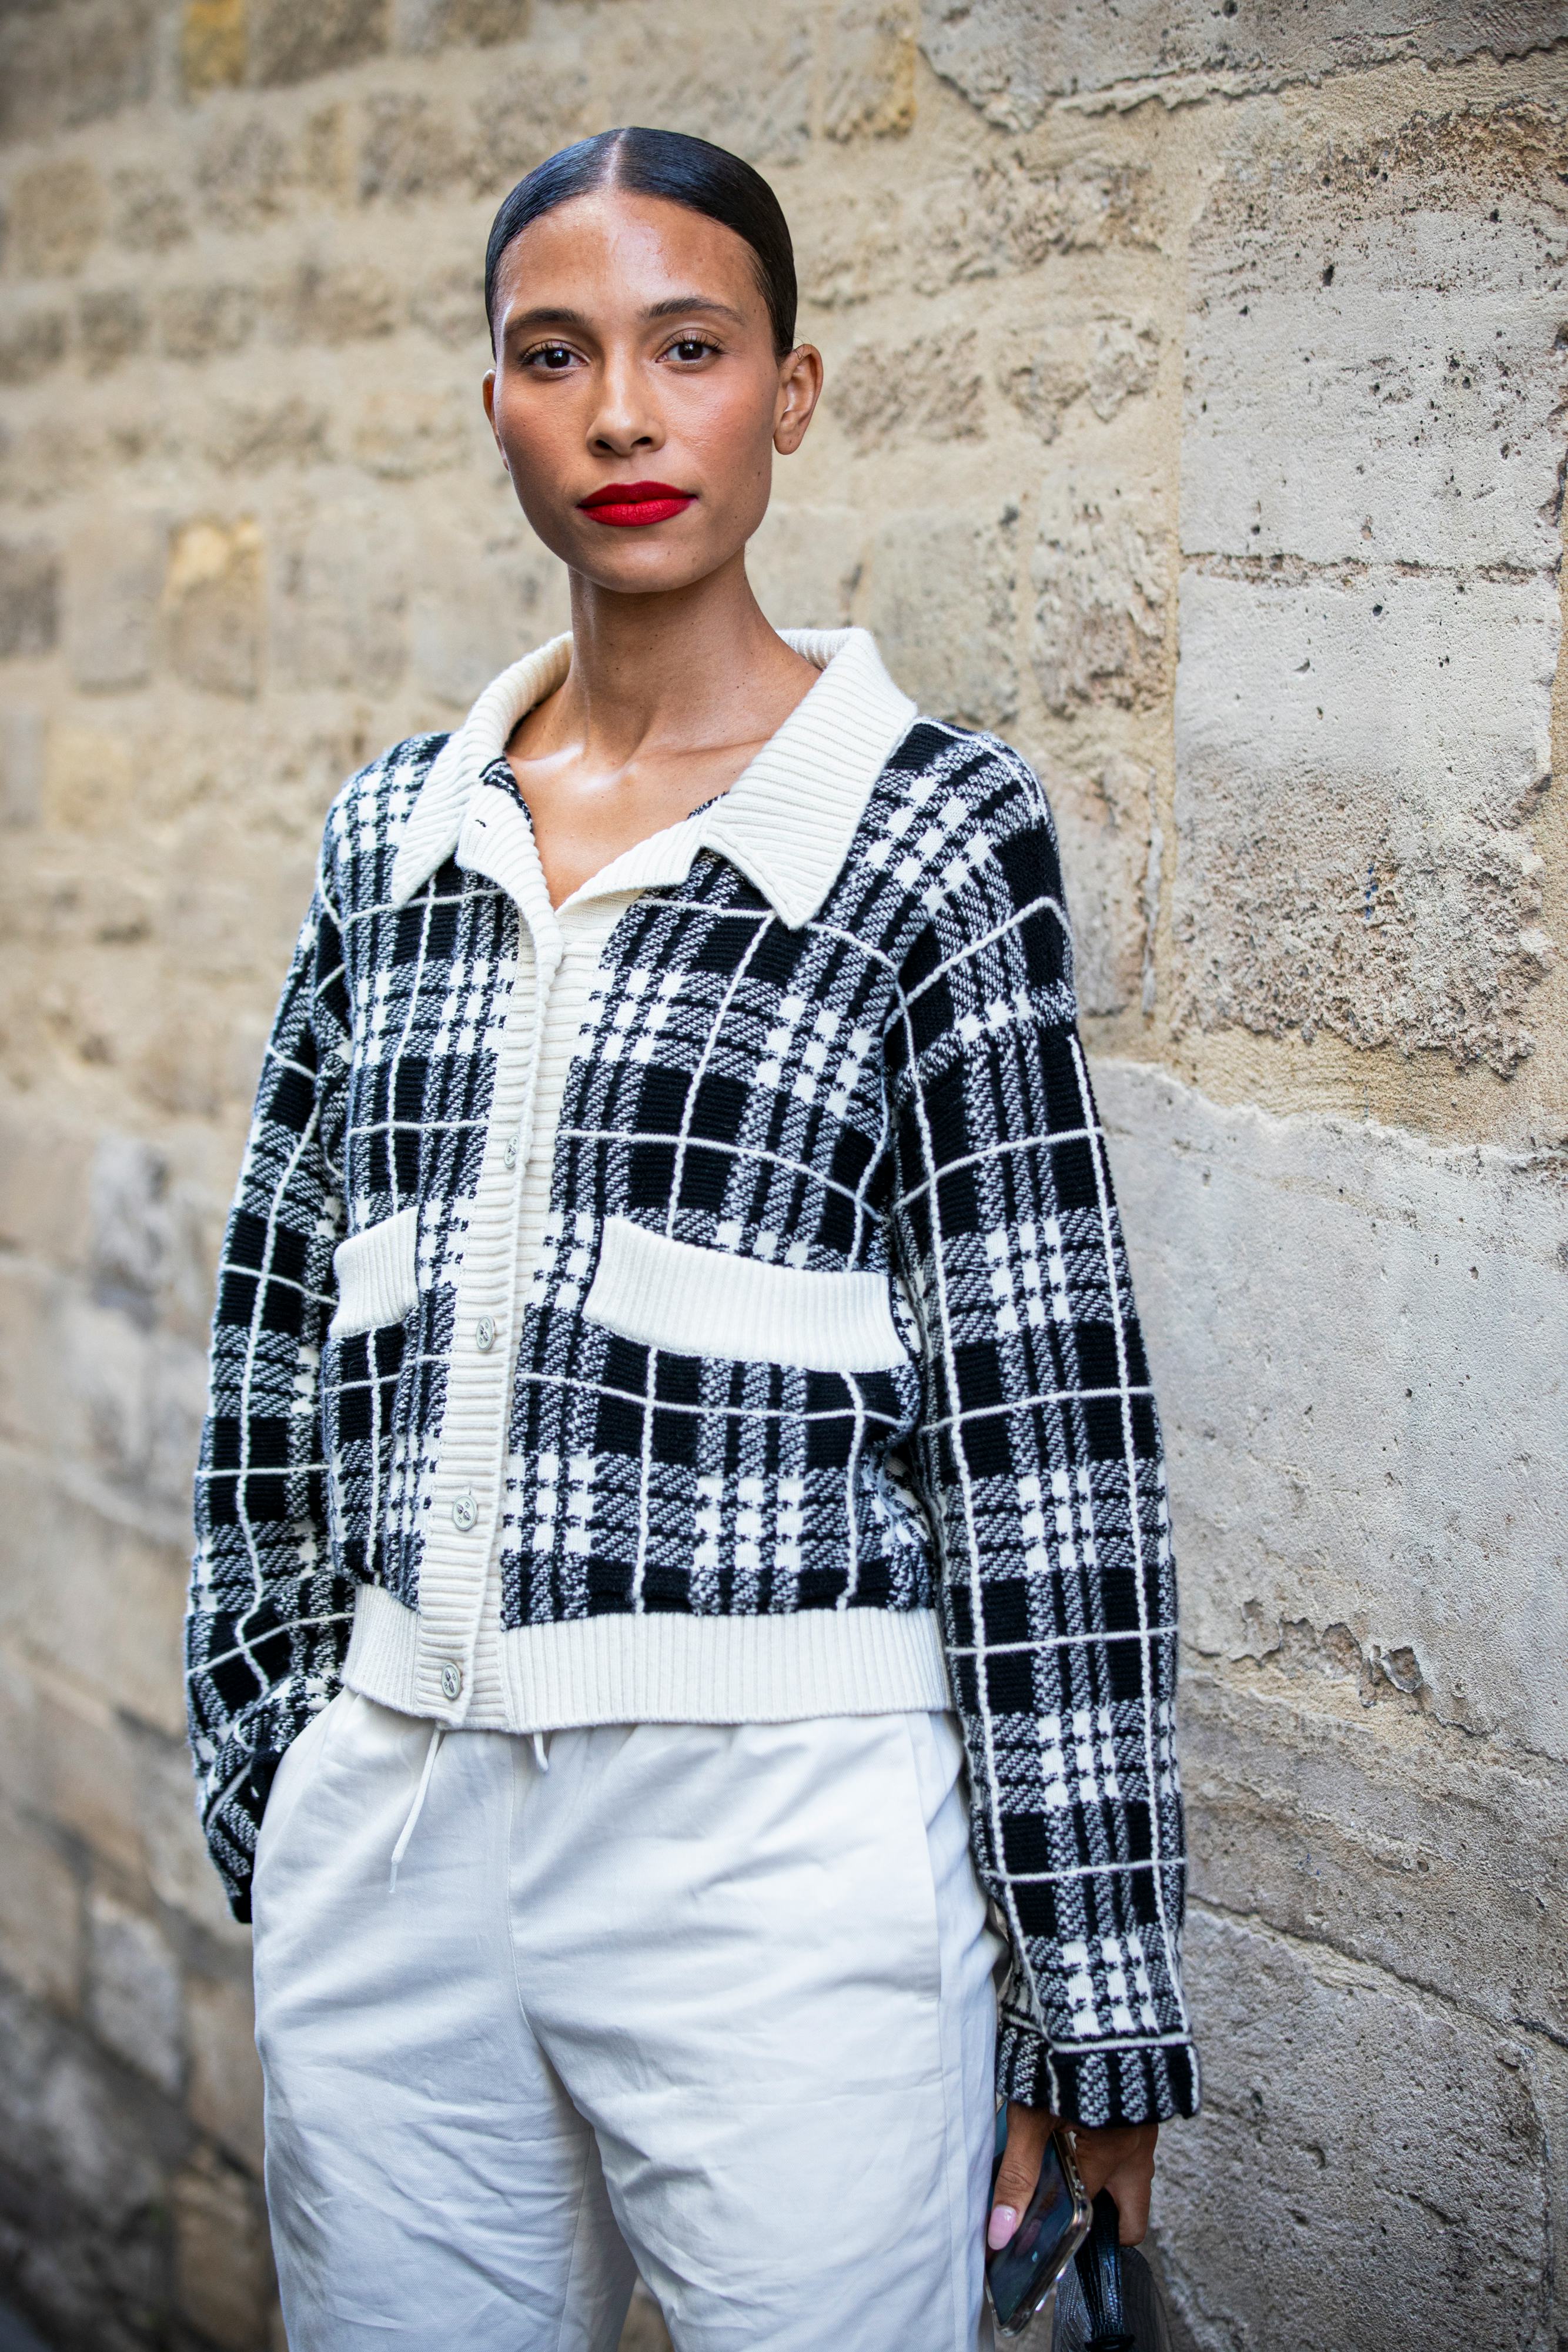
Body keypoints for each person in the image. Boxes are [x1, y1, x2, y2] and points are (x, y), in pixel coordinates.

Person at [186, 125, 1197, 2352]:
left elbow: (1046, 1420)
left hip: (780, 1862)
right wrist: (279, 1761)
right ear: (495, 407)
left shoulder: (935, 830)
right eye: (556, 357)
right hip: (394, 1836)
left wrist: (1095, 1999)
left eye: (687, 348)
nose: (623, 415)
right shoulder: (397, 829)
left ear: (791, 392)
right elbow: (275, 1315)